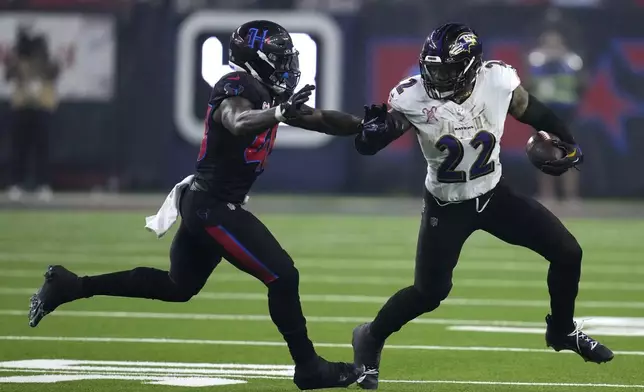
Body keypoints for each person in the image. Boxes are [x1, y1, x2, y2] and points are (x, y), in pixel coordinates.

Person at [28, 20, 365, 391]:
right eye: (280, 59)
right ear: (256, 60)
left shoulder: (268, 95)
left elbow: (322, 119)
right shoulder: (237, 85)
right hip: (212, 207)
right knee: (282, 275)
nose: (288, 67)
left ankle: (71, 285)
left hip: (206, 203)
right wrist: (278, 114)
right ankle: (309, 368)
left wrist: (368, 124)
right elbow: (237, 121)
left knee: (178, 286)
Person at [350, 23, 613, 390]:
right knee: (429, 293)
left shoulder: (498, 80)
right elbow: (373, 141)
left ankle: (562, 330)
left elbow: (534, 112)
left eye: (446, 69)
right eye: (433, 67)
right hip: (447, 204)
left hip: (494, 195)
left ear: (472, 66)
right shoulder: (412, 97)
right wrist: (370, 136)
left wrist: (568, 142)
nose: (437, 76)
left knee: (568, 252)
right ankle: (370, 336)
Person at [526, 29, 584, 205]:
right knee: (544, 152)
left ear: (563, 43)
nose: (552, 45)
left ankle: (571, 196)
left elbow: (578, 83)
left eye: (555, 41)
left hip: (565, 112)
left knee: (568, 152)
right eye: (548, 41)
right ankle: (546, 196)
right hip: (544, 112)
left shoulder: (572, 60)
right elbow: (530, 82)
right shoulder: (536, 59)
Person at [5, 25, 60, 202]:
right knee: (19, 149)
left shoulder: (47, 62)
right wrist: (14, 61)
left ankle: (43, 185)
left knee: (42, 150)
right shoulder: (18, 61)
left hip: (42, 108)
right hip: (22, 107)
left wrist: (46, 61)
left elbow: (54, 72)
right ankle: (16, 184)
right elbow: (8, 75)